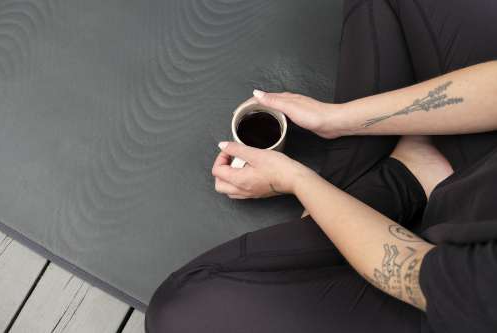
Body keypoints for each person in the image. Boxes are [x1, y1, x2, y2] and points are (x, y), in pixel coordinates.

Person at [145, 0, 497, 332]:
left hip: (444, 297)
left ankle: (406, 178)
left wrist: (297, 180)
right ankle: (412, 168)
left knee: (179, 312)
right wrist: (335, 119)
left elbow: (415, 272)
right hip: (482, 184)